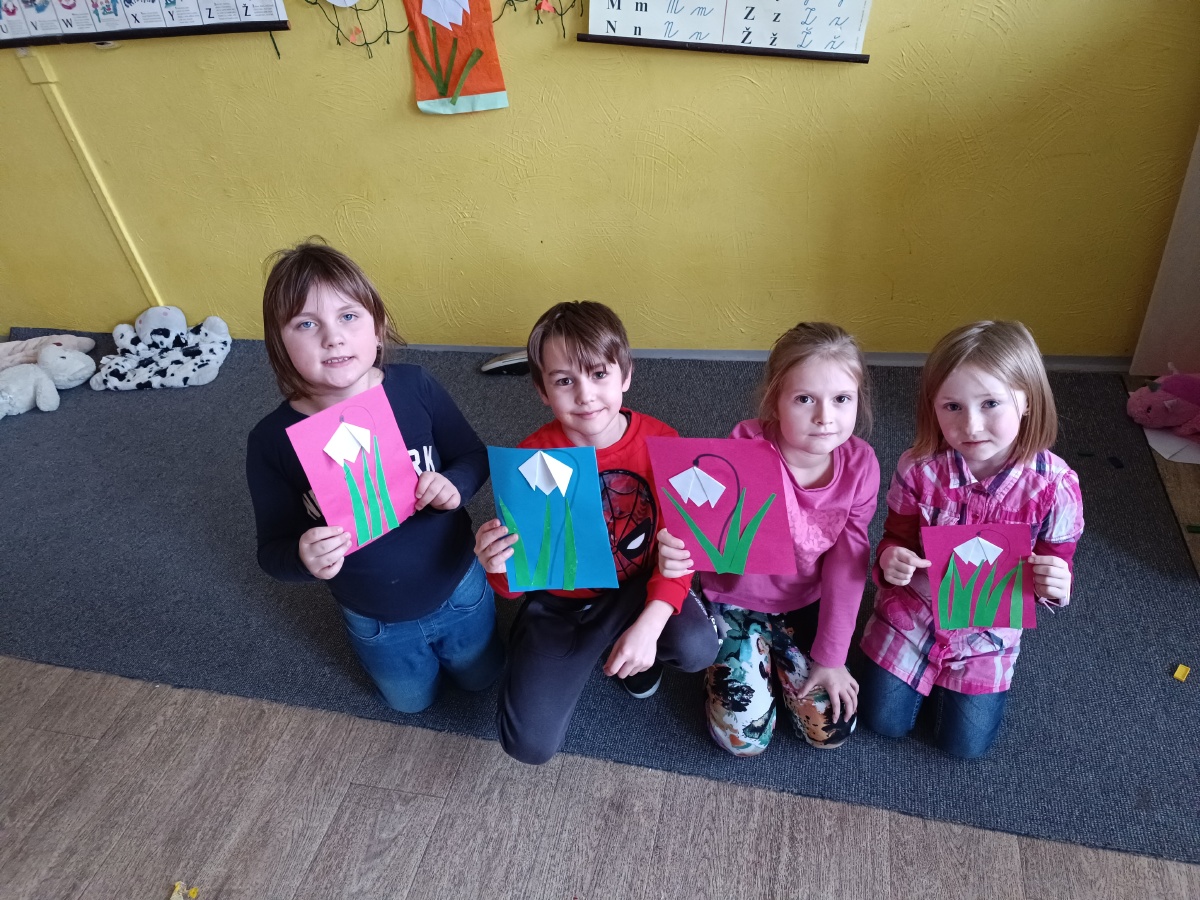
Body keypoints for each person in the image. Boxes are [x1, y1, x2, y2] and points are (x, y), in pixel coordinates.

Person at [246, 239, 502, 713]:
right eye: (306, 324)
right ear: (279, 345)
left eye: (348, 316)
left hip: (460, 587)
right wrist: (303, 556)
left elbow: (473, 454)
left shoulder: (415, 386)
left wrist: (455, 485)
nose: (333, 337)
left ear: (378, 327)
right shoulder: (272, 441)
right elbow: (271, 551)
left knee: (483, 679)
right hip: (374, 619)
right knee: (410, 704)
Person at [474, 301, 720, 765]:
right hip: (559, 605)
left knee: (696, 646)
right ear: (542, 391)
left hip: (636, 588)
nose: (585, 395)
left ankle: (637, 652)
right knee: (528, 744)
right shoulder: (531, 460)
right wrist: (496, 566)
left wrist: (650, 625)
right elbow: (513, 584)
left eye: (599, 374)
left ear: (625, 374)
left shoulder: (664, 444)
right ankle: (549, 647)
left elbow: (680, 550)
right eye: (564, 381)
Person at [858, 320, 1083, 758]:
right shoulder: (919, 468)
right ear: (933, 407)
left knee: (965, 747)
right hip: (913, 615)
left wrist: (1057, 582)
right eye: (953, 407)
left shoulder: (1056, 485)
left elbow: (1058, 559)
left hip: (987, 636)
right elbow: (895, 537)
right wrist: (891, 559)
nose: (971, 425)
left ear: (1027, 400)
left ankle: (948, 685)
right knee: (883, 721)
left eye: (991, 403)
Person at [657, 322, 880, 754]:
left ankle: (778, 663)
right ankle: (737, 658)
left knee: (831, 728)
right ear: (775, 400)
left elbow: (848, 562)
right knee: (743, 741)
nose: (825, 417)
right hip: (738, 599)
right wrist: (680, 547)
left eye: (841, 399)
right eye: (804, 399)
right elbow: (709, 527)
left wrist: (832, 657)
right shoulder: (747, 444)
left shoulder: (860, 464)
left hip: (806, 601)